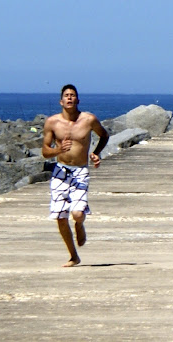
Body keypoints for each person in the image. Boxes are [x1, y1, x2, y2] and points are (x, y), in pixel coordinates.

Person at [42, 84, 109, 267]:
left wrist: (96, 152)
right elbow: (45, 151)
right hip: (60, 171)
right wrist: (57, 150)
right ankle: (73, 255)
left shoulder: (88, 120)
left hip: (80, 171)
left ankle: (79, 224)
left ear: (77, 100)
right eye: (66, 95)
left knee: (77, 214)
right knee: (60, 216)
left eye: (73, 95)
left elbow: (104, 135)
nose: (70, 98)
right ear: (61, 101)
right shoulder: (52, 122)